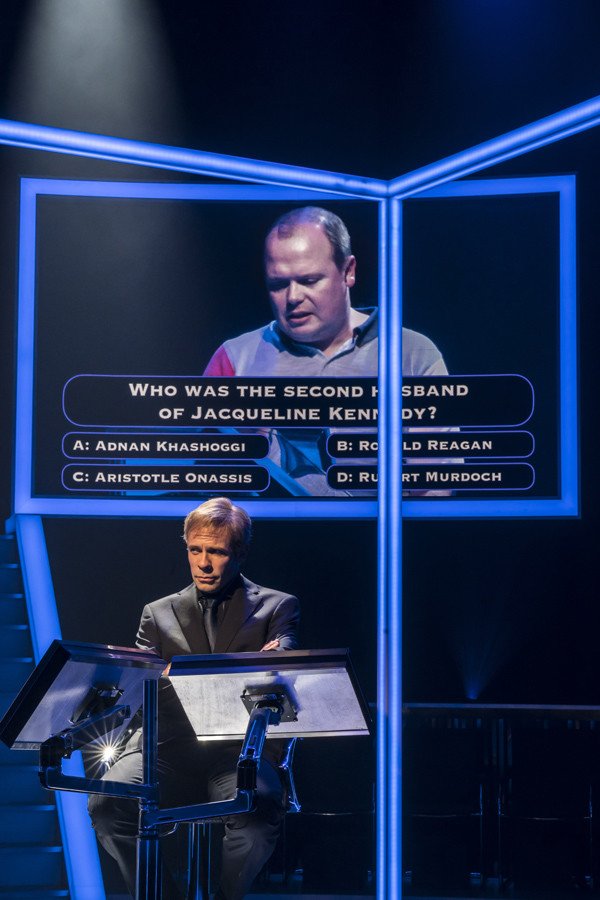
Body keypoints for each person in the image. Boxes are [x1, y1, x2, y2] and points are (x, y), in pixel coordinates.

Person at [88, 497, 300, 900]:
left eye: (216, 552)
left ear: (238, 553)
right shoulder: (157, 612)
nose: (203, 563)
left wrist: (176, 672)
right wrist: (242, 667)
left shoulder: (278, 605)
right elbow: (144, 683)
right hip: (165, 746)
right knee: (108, 803)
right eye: (195, 550)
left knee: (260, 806)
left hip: (237, 751)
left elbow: (282, 662)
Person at [203, 206, 447, 494]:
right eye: (278, 284)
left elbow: (437, 483)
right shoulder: (234, 359)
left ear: (348, 272)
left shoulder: (412, 354)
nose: (293, 297)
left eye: (308, 281)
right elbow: (205, 480)